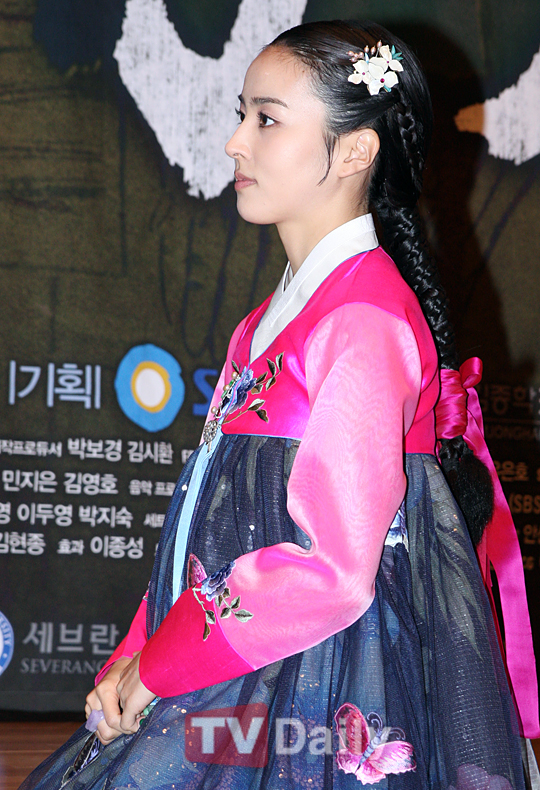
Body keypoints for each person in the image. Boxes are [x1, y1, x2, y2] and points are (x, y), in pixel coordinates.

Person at [20, 20, 538, 790]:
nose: (235, 143)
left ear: (355, 150)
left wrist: (157, 667)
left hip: (326, 686)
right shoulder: (264, 324)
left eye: (266, 119)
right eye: (243, 115)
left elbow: (334, 569)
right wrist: (136, 655)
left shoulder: (362, 321)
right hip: (230, 666)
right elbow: (206, 530)